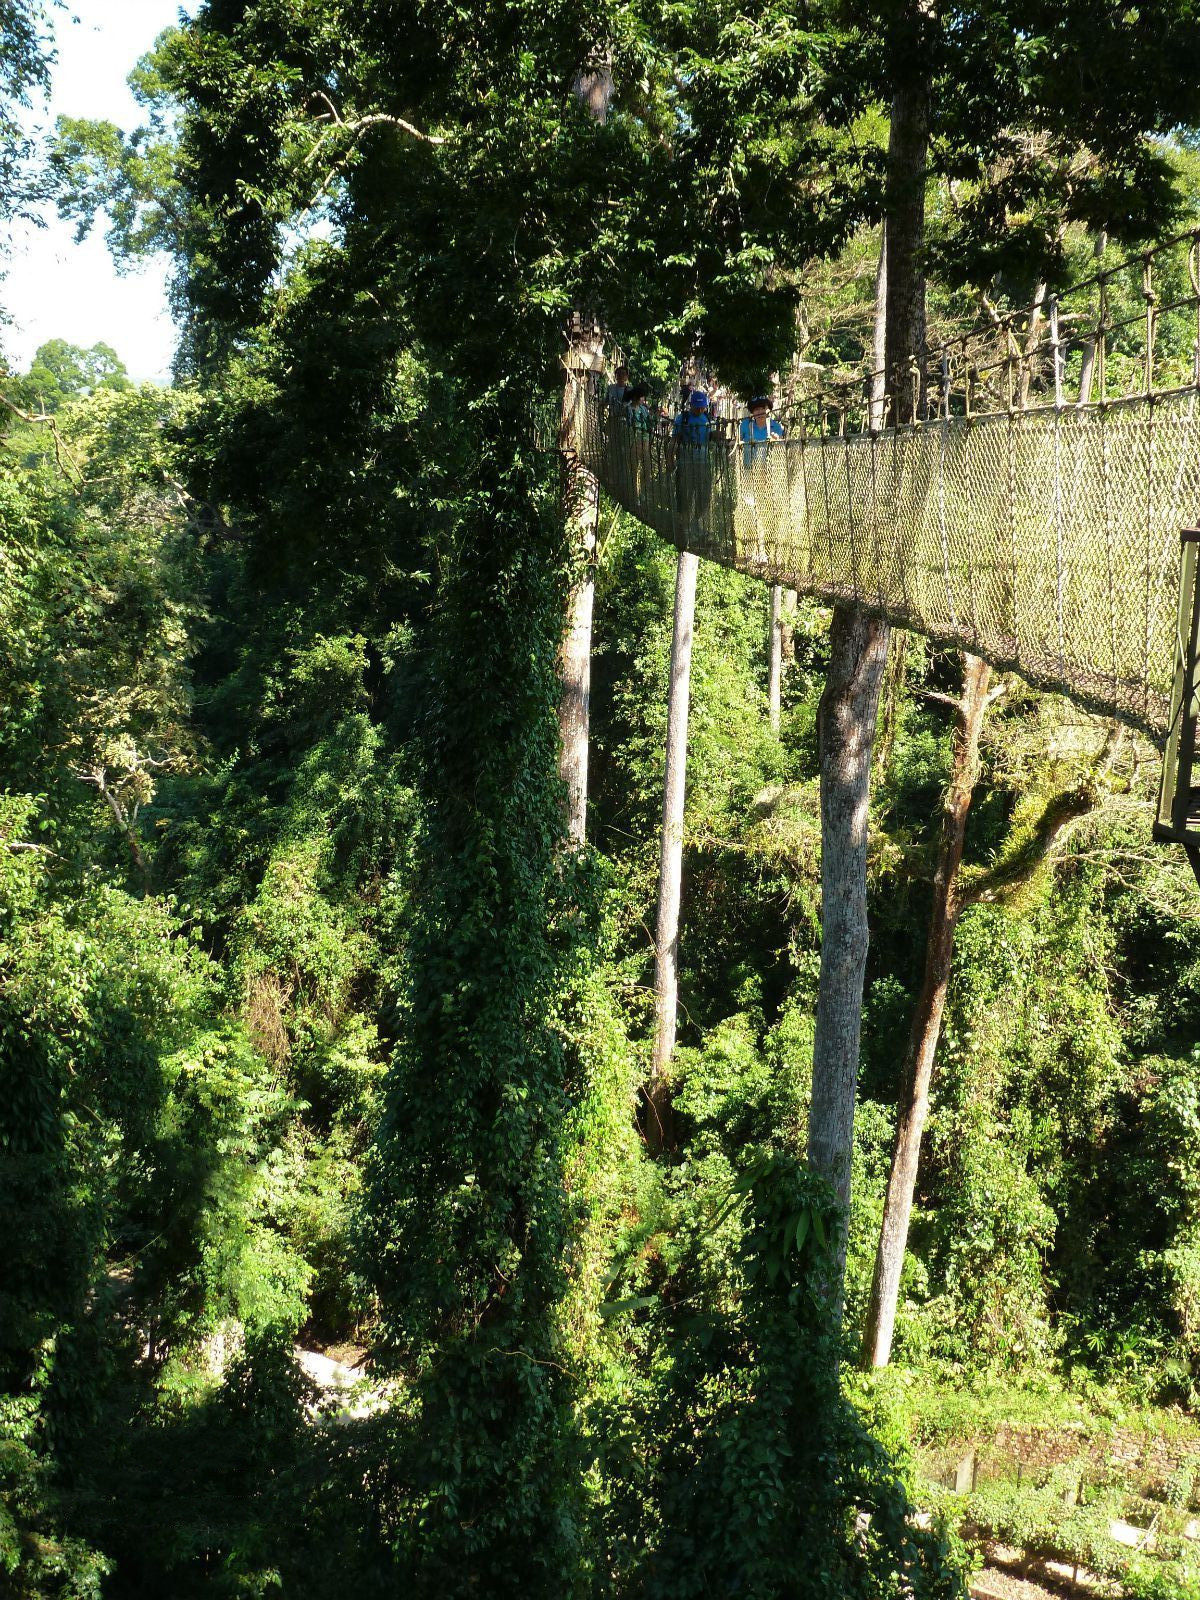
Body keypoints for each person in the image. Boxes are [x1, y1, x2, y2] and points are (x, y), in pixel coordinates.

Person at [672, 388, 714, 534]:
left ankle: (697, 524)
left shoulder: (707, 418)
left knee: (703, 494)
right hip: (685, 462)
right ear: (691, 406)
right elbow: (674, 440)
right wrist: (669, 458)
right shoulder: (682, 418)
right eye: (698, 407)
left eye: (703, 406)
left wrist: (717, 435)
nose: (701, 409)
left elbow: (710, 437)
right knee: (685, 494)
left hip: (703, 462)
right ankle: (684, 526)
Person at [740, 393, 785, 466]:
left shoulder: (776, 426)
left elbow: (780, 448)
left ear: (768, 410)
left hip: (770, 469)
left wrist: (777, 441)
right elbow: (736, 441)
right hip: (748, 470)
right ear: (752, 412)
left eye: (763, 408)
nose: (760, 412)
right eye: (757, 409)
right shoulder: (745, 425)